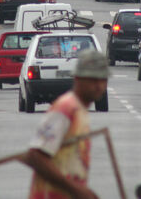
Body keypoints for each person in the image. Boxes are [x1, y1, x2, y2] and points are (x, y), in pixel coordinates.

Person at [22, 50, 109, 199]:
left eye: (103, 80)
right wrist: (76, 190)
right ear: (78, 79)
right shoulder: (66, 108)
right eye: (93, 80)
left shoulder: (80, 110)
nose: (99, 86)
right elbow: (36, 156)